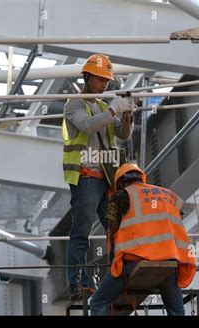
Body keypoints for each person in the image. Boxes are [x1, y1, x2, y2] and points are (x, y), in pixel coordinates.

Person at [63, 54, 134, 300]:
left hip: (106, 178)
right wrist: (115, 108)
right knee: (81, 231)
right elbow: (87, 126)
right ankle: (78, 284)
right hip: (85, 177)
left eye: (106, 80)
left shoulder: (104, 107)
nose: (104, 84)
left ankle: (117, 280)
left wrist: (127, 115)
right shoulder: (74, 104)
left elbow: (123, 134)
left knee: (116, 230)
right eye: (100, 79)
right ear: (87, 77)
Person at [90, 163, 196, 315]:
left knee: (98, 301)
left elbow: (111, 229)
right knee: (176, 309)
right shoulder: (169, 196)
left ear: (121, 183)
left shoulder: (121, 196)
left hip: (134, 262)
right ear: (141, 177)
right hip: (169, 263)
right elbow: (178, 216)